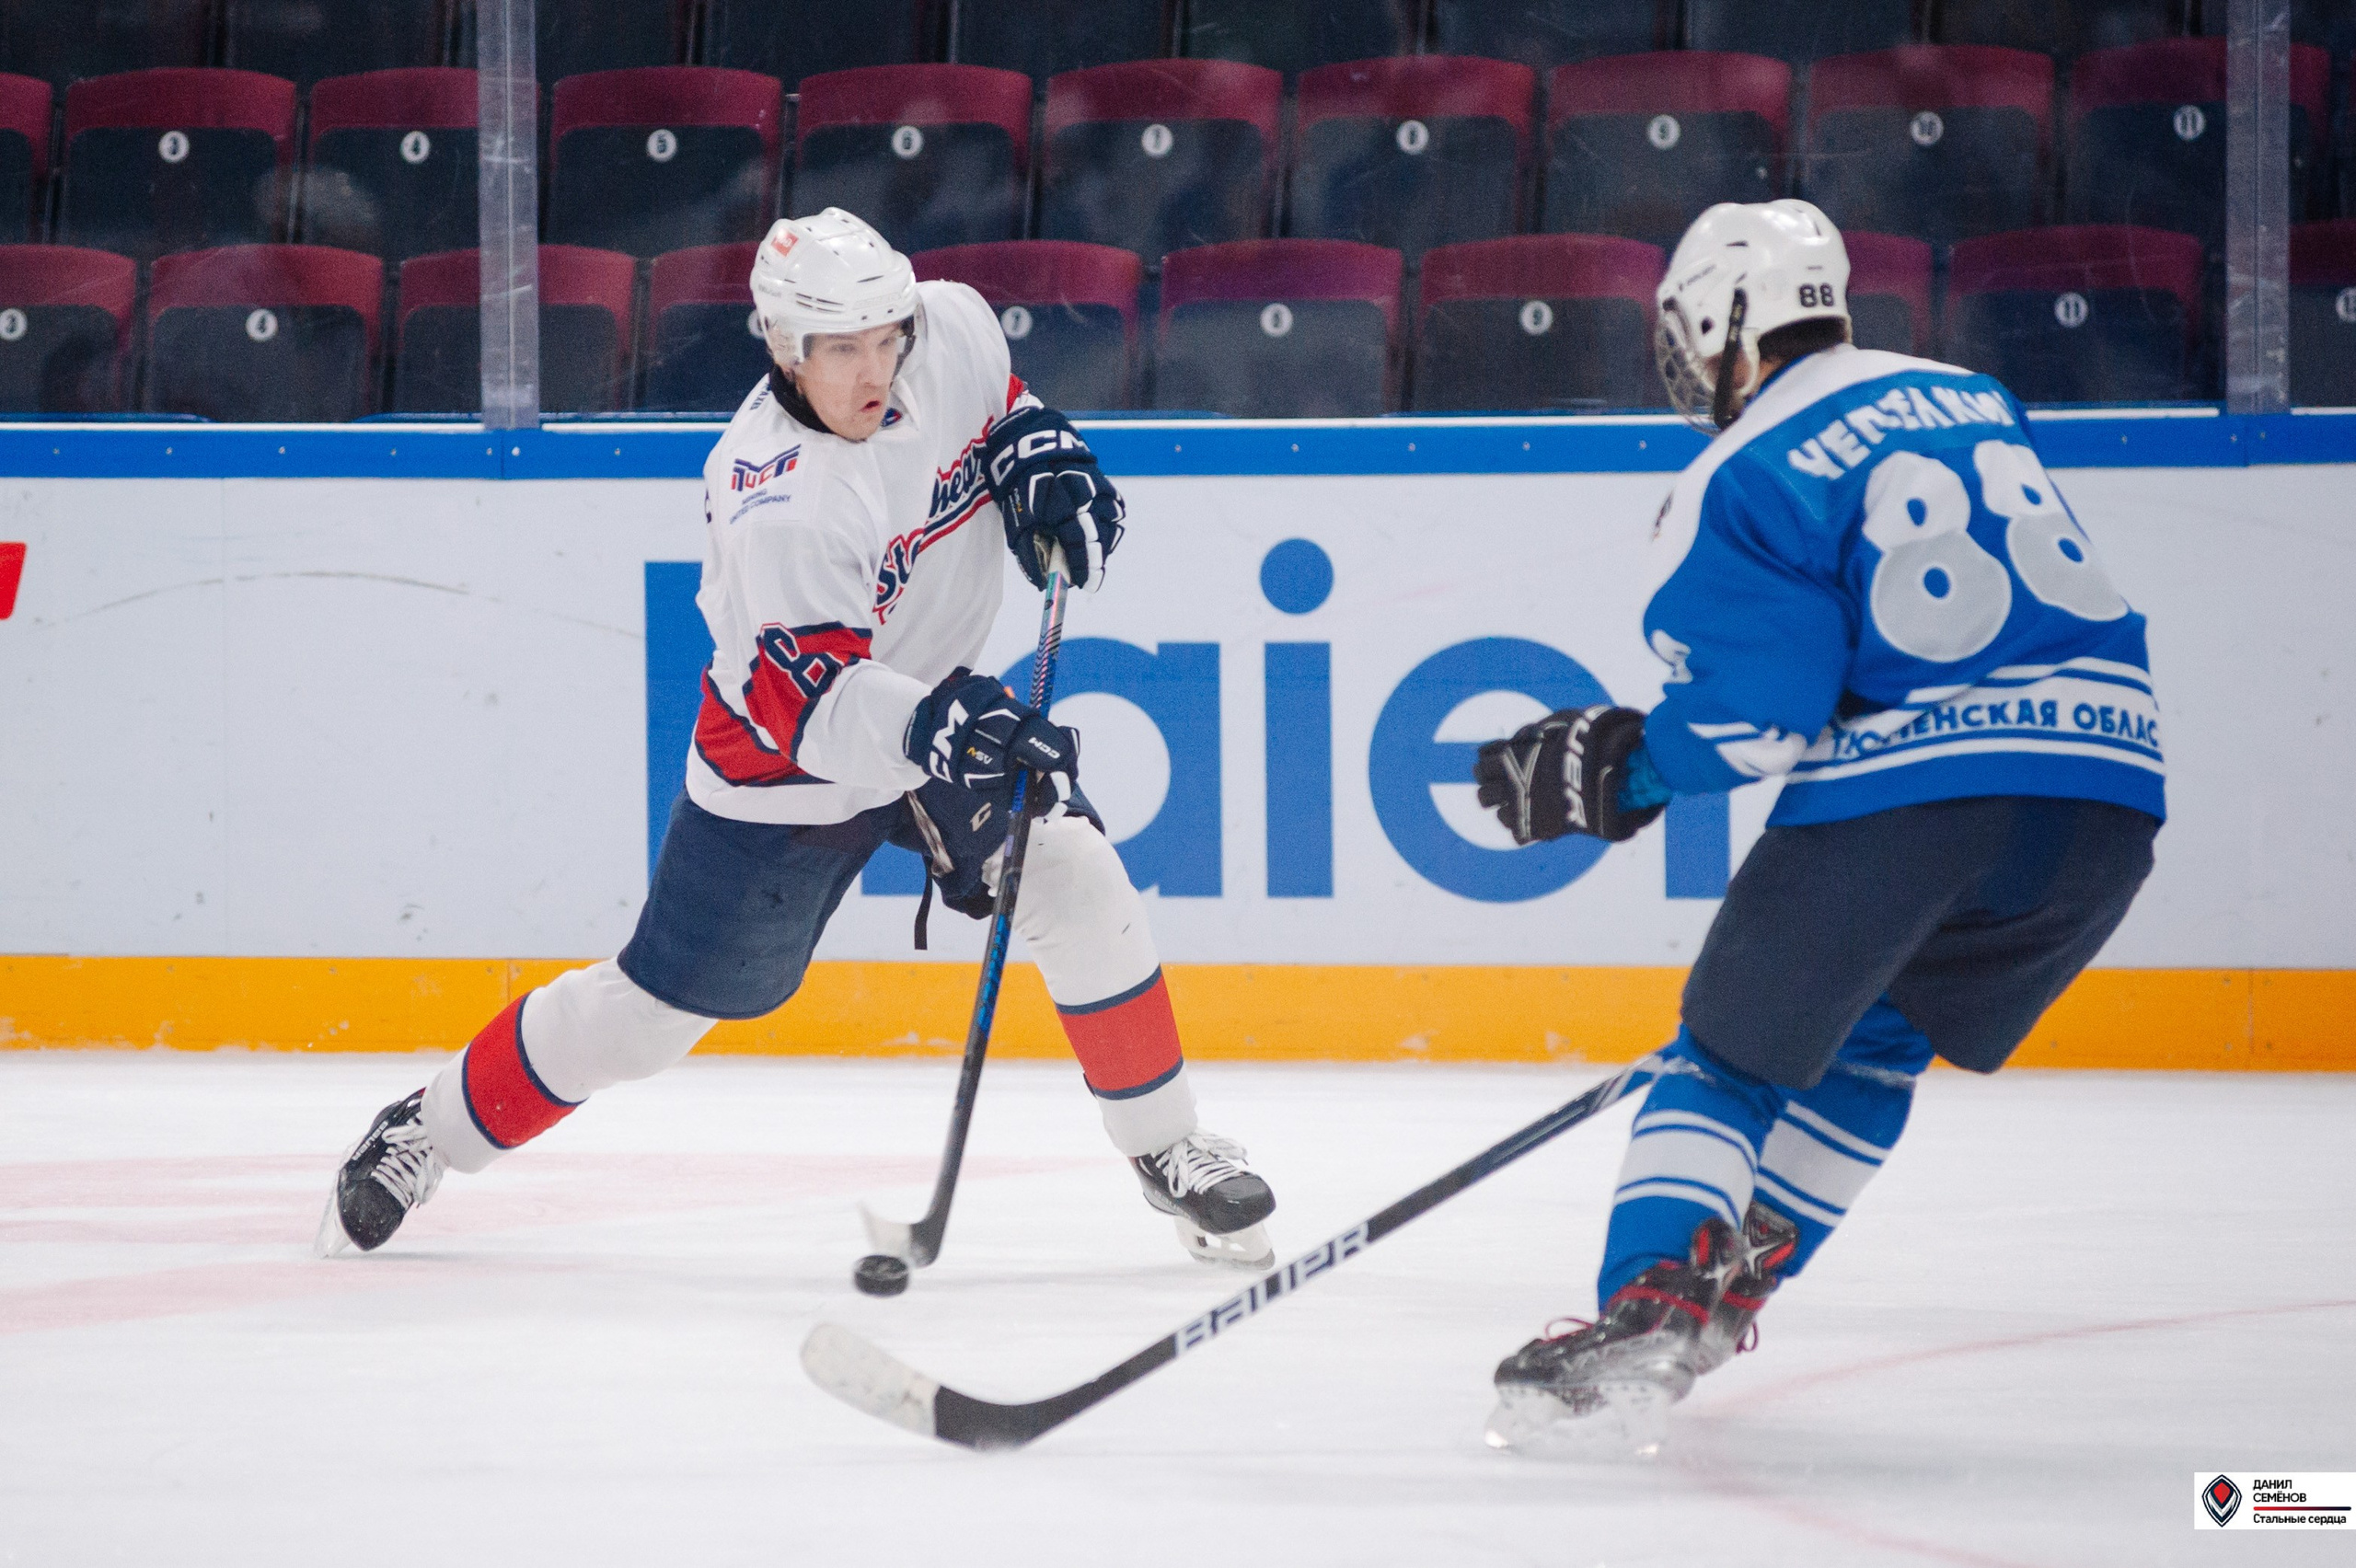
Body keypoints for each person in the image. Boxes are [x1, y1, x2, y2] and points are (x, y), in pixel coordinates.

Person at [317, 209, 1276, 1271]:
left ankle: (1167, 1147)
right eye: (843, 350)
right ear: (783, 347)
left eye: (886, 338)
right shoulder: (776, 496)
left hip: (931, 696)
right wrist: (943, 726)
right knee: (649, 1018)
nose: (878, 371)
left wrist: (1038, 449)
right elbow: (821, 716)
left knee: (1072, 873)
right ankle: (431, 1127)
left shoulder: (943, 330)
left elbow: (997, 407)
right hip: (785, 762)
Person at [1472, 200, 2163, 1453]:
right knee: (1873, 1050)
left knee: (1721, 1064)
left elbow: (1760, 715)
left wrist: (1623, 776)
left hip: (1925, 799)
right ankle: (1730, 1285)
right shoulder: (1970, 394)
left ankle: (1649, 1306)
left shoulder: (1742, 468)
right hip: (2110, 797)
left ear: (1728, 330)